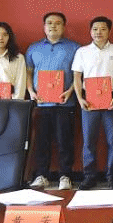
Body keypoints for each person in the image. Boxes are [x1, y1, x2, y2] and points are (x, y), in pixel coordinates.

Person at [26, 12, 80, 190]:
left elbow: (79, 75)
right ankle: (42, 175)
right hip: (41, 103)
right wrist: (31, 91)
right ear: (44, 26)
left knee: (65, 140)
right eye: (49, 23)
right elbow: (28, 72)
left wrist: (70, 91)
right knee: (42, 141)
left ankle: (65, 175)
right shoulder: (33, 48)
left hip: (65, 102)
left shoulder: (75, 48)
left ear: (64, 27)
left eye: (57, 23)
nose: (53, 26)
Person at [72, 16, 113, 189]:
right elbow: (77, 77)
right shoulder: (82, 51)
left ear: (109, 31)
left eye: (103, 29)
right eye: (95, 29)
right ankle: (89, 176)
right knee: (89, 140)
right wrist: (80, 98)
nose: (98, 32)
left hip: (112, 98)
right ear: (90, 31)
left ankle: (112, 177)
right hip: (89, 99)